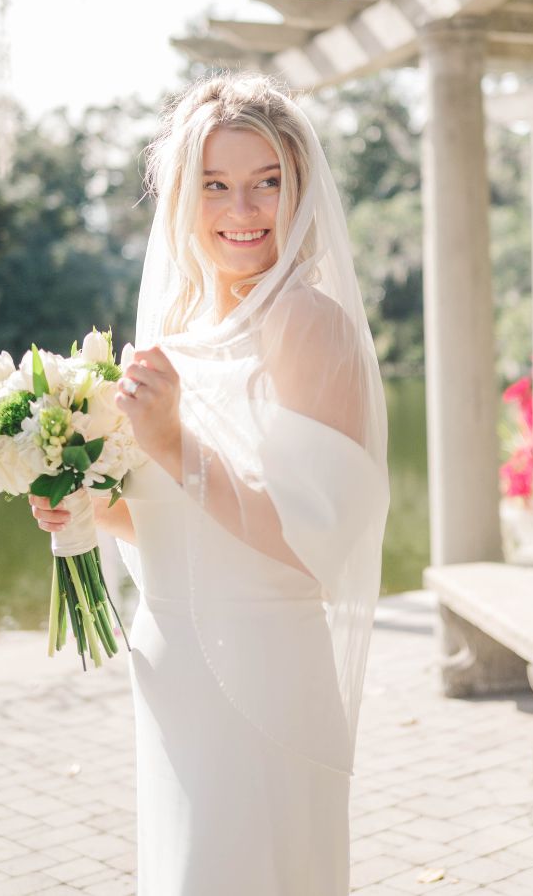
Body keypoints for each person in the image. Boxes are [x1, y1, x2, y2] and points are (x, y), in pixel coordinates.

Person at [32, 74, 389, 894]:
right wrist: (90, 507)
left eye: (268, 183)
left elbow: (309, 549)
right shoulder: (182, 334)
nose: (245, 210)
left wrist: (169, 439)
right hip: (176, 667)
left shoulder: (307, 322)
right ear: (182, 199)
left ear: (300, 190)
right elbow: (180, 526)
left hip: (261, 673)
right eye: (217, 186)